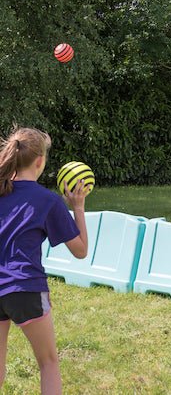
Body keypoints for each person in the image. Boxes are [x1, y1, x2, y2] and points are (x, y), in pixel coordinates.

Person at [0, 127, 89, 394]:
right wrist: (79, 207)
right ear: (40, 161)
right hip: (25, 288)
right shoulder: (48, 201)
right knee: (48, 363)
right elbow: (81, 250)